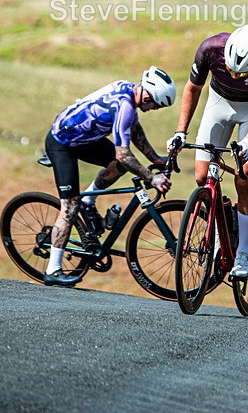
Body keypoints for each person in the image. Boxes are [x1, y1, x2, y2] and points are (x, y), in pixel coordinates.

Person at [43, 66, 176, 287]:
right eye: (156, 104)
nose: (155, 109)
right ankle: (53, 270)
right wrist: (152, 178)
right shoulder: (124, 105)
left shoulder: (129, 93)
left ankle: (89, 201)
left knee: (117, 167)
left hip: (86, 140)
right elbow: (123, 154)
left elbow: (135, 131)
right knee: (70, 206)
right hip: (62, 144)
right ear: (147, 95)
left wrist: (155, 159)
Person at [168, 25, 248, 279]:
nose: (234, 74)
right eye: (230, 69)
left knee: (244, 177)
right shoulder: (210, 49)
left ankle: (242, 252)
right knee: (201, 177)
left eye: (242, 73)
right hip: (219, 103)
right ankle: (224, 225)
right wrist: (180, 132)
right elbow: (192, 89)